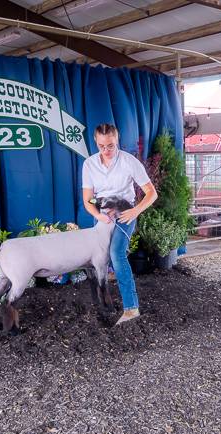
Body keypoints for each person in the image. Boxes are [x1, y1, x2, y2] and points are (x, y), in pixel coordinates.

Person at [82, 123, 158, 325]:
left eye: (111, 146)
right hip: (102, 214)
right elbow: (88, 199)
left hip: (125, 211)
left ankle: (131, 309)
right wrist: (97, 214)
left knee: (116, 253)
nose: (106, 151)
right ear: (96, 143)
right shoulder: (89, 164)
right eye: (101, 146)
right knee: (99, 260)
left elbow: (152, 193)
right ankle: (103, 303)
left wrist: (135, 211)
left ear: (117, 141)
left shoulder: (129, 162)